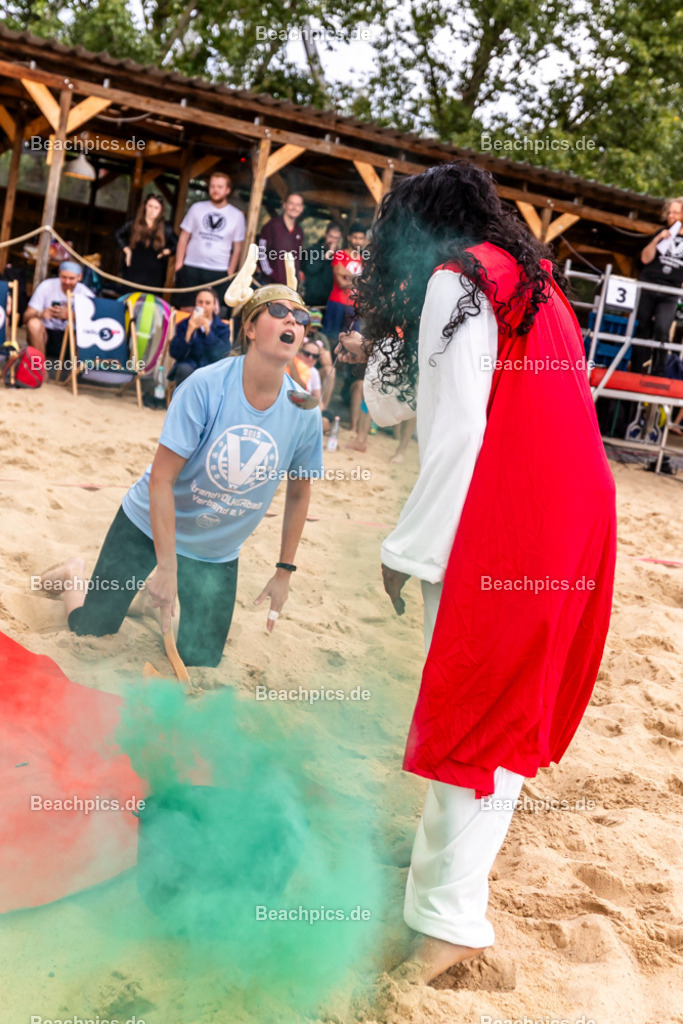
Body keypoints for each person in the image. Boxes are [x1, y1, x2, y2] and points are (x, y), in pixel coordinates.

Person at [354, 162, 617, 984]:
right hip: (573, 509)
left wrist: (409, 550)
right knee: (496, 712)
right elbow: (398, 404)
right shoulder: (528, 279)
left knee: (474, 715)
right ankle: (444, 888)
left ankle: (449, 921)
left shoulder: (453, 279)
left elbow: (457, 430)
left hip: (512, 521)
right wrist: (386, 346)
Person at [39, 271, 323, 669]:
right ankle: (75, 577)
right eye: (279, 311)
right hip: (147, 525)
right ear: (252, 329)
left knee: (201, 660)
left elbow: (299, 492)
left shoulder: (303, 410)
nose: (293, 321)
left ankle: (143, 594)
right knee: (92, 629)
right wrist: (167, 565)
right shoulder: (206, 386)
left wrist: (284, 571)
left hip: (215, 551)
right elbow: (161, 479)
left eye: (301, 317)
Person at [174, 171, 245, 306]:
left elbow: (237, 248)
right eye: (212, 186)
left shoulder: (237, 216)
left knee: (215, 313)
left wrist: (230, 273)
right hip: (191, 267)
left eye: (219, 187)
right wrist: (179, 265)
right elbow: (183, 238)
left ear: (227, 190)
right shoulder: (196, 208)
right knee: (184, 308)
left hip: (219, 272)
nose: (215, 190)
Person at [632, 197, 683, 375]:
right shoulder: (662, 232)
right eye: (669, 213)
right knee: (641, 326)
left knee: (663, 328)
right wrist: (657, 240)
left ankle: (659, 371)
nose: (671, 216)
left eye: (675, 213)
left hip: (670, 291)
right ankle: (636, 368)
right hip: (649, 284)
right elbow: (645, 258)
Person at [23, 261, 94, 359]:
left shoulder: (86, 293)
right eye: (64, 277)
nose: (67, 282)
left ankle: (76, 372)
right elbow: (26, 317)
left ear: (79, 277)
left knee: (83, 332)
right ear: (59, 273)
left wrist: (71, 316)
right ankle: (40, 370)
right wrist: (41, 313)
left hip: (72, 338)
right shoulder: (46, 286)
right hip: (47, 335)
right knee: (33, 323)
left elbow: (95, 322)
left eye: (71, 278)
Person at [167, 288, 231, 385]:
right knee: (184, 370)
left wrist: (208, 332)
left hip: (211, 367)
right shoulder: (184, 324)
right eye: (200, 302)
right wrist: (188, 332)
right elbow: (174, 353)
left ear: (214, 306)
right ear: (195, 304)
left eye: (207, 303)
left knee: (215, 375)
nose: (203, 306)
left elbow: (222, 355)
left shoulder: (222, 328)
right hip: (189, 366)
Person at [114, 194, 177, 291]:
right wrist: (126, 250)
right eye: (150, 206)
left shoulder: (166, 229)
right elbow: (117, 234)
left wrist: (166, 251)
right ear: (145, 207)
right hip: (132, 272)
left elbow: (176, 243)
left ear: (160, 210)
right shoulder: (133, 223)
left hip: (154, 276)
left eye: (156, 208)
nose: (152, 210)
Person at [322, 223, 367, 341]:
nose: (358, 241)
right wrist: (359, 280)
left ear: (364, 240)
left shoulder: (364, 260)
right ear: (348, 237)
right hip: (337, 302)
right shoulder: (339, 255)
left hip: (354, 306)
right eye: (355, 237)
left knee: (352, 342)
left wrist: (347, 274)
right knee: (330, 339)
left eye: (361, 238)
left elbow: (367, 284)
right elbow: (341, 283)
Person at [258, 193, 305, 285]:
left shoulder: (299, 231)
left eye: (298, 205)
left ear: (302, 209)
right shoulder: (271, 226)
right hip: (268, 283)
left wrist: (296, 276)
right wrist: (270, 273)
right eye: (291, 203)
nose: (294, 208)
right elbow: (260, 252)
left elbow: (296, 258)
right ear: (284, 205)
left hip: (288, 285)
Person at [301, 221, 343, 308]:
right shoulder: (314, 250)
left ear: (340, 239)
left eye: (336, 238)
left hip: (329, 302)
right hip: (310, 301)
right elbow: (311, 268)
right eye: (331, 237)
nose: (332, 241)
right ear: (325, 234)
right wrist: (328, 254)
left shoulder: (340, 255)